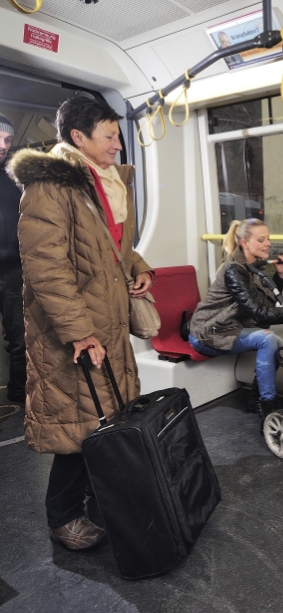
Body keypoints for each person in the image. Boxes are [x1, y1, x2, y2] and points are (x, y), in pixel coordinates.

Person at [8, 96, 154, 550]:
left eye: (118, 134)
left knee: (106, 421)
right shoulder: (49, 187)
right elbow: (46, 267)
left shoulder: (108, 185)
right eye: (109, 136)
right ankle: (63, 517)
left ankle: (96, 497)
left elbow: (118, 247)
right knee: (80, 427)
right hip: (75, 332)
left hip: (107, 323)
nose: (118, 145)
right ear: (78, 138)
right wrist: (80, 332)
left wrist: (140, 268)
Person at [188, 219, 283, 416]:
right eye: (261, 240)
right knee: (267, 340)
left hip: (232, 328)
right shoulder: (234, 270)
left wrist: (281, 277)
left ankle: (256, 400)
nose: (268, 243)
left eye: (268, 239)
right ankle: (268, 405)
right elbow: (259, 312)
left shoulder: (257, 268)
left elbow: (265, 304)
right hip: (209, 332)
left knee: (275, 341)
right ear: (244, 243)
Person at [0, 113, 26, 404]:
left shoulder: (15, 176)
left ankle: (20, 396)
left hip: (14, 272)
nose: (3, 144)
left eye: (7, 139)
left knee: (20, 341)